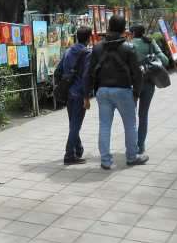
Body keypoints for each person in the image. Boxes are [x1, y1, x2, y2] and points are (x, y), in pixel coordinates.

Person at [86, 15, 147, 170]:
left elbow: (90, 72)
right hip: (123, 90)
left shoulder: (98, 47)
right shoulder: (129, 47)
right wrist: (136, 93)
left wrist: (86, 94)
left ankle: (105, 161)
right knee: (130, 125)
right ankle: (132, 157)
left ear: (108, 26)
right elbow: (137, 73)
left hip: (102, 91)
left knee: (104, 125)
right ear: (124, 29)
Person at [55, 27, 92, 164]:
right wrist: (87, 97)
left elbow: (58, 71)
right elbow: (86, 77)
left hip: (68, 92)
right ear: (89, 38)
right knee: (75, 125)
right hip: (79, 93)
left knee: (73, 123)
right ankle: (69, 155)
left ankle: (78, 149)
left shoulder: (68, 51)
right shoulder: (88, 53)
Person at [131, 25, 169, 156]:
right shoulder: (150, 42)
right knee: (143, 115)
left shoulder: (129, 44)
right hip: (149, 83)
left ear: (133, 33)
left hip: (133, 85)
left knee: (131, 116)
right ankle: (141, 146)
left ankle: (132, 145)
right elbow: (165, 60)